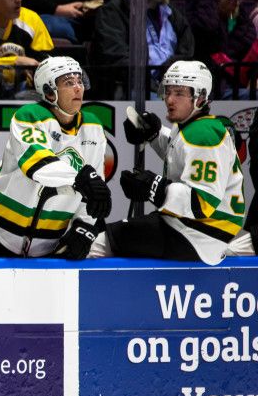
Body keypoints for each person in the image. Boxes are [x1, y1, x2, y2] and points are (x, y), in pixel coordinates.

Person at [92, 61, 246, 264]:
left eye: (179, 93)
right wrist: (154, 134)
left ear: (200, 97)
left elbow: (201, 203)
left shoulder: (203, 134)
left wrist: (153, 186)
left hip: (197, 235)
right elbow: (182, 155)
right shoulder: (193, 127)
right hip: (192, 228)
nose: (169, 99)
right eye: (168, 91)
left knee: (97, 243)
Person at [0, 56, 111, 259]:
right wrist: (82, 179)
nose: (78, 88)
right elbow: (38, 167)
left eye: (80, 81)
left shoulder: (93, 128)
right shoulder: (29, 116)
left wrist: (84, 226)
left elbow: (94, 187)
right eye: (68, 83)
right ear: (49, 91)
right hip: (0, 239)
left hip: (49, 247)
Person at [91, 0, 194, 99]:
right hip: (132, 90)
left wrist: (170, 76)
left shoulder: (173, 14)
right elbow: (115, 57)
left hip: (172, 88)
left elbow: (187, 52)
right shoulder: (115, 10)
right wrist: (152, 84)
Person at [185, 0, 255, 66]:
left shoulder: (237, 15)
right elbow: (207, 31)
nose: (237, 3)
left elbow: (248, 41)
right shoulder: (198, 11)